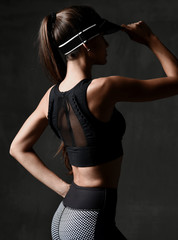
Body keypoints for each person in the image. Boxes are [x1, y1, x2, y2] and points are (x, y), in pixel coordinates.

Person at [9, 5, 178, 240]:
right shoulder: (103, 88)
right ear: (87, 44)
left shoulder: (51, 96)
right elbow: (176, 81)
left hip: (68, 217)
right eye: (102, 38)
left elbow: (17, 147)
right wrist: (150, 38)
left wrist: (64, 190)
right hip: (88, 222)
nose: (107, 45)